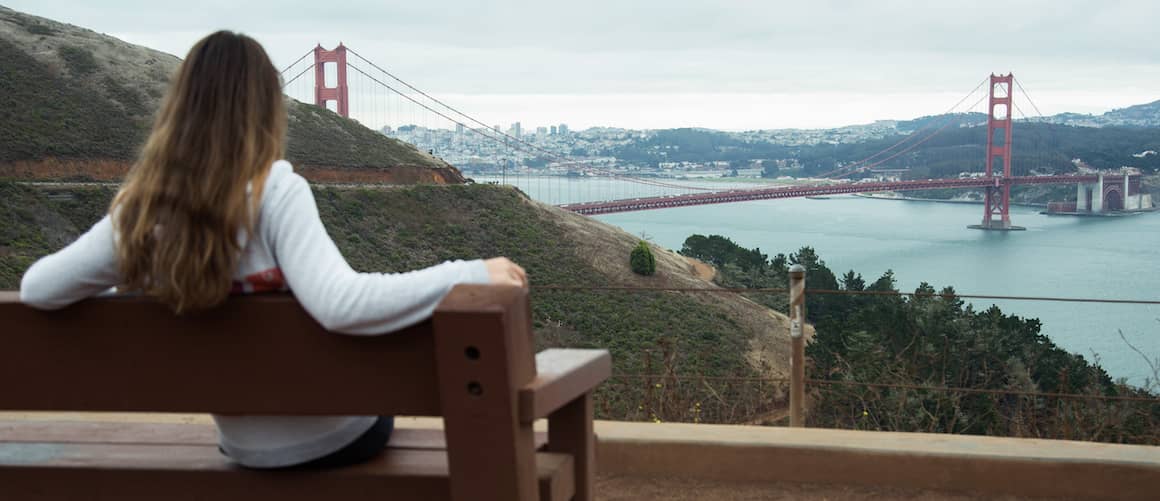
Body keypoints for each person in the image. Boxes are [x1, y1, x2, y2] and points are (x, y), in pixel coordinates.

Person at [18, 31, 528, 469]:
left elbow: (38, 289)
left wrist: (133, 282)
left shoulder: (139, 208)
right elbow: (341, 303)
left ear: (178, 108)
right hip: (335, 440)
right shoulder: (274, 189)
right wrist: (472, 272)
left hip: (240, 447)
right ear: (265, 109)